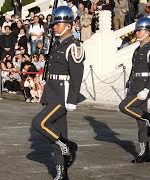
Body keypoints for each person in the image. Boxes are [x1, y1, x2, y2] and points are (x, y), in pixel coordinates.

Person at [32, 6, 86, 179]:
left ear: (68, 26)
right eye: (53, 24)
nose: (54, 26)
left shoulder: (74, 46)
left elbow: (77, 75)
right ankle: (61, 173)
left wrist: (72, 99)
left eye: (58, 23)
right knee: (58, 131)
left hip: (63, 94)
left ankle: (68, 146)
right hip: (53, 91)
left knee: (39, 123)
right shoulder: (57, 44)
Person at [118, 17, 150, 163]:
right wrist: (128, 83)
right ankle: (145, 153)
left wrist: (147, 89)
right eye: (136, 30)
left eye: (139, 30)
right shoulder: (137, 49)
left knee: (124, 106)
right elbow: (133, 69)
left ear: (148, 32)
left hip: (143, 87)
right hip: (135, 85)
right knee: (141, 122)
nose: (136, 33)